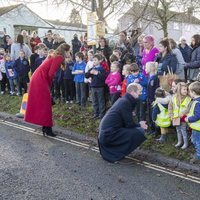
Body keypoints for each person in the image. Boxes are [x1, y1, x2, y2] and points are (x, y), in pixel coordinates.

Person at [24, 43, 71, 137]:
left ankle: (45, 127)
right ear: (65, 51)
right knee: (46, 104)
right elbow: (51, 73)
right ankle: (47, 129)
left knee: (45, 103)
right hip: (41, 79)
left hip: (38, 77)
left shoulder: (54, 54)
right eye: (69, 51)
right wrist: (49, 86)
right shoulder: (59, 57)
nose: (70, 53)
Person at [98, 83, 147, 163]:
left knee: (137, 130)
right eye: (139, 91)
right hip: (108, 134)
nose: (141, 93)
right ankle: (118, 154)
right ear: (133, 92)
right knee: (140, 131)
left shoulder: (124, 100)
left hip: (107, 132)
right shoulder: (125, 102)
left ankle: (118, 153)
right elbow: (129, 124)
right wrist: (140, 124)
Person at [168, 82, 191, 149]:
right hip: (175, 117)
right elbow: (170, 107)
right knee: (178, 130)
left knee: (183, 130)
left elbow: (189, 108)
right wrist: (170, 115)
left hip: (183, 118)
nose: (185, 91)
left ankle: (186, 143)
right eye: (184, 89)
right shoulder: (173, 98)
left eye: (186, 89)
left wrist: (183, 113)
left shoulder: (188, 98)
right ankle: (179, 142)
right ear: (179, 90)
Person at [85, 54, 107, 119]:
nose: (94, 61)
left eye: (95, 60)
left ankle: (101, 113)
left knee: (101, 100)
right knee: (94, 101)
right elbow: (86, 75)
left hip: (100, 87)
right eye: (93, 60)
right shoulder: (92, 68)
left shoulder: (101, 69)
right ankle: (96, 113)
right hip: (93, 87)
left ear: (100, 61)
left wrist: (97, 73)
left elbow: (103, 78)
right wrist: (90, 73)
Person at [185, 81, 200, 164]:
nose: (189, 93)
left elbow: (198, 115)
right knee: (194, 140)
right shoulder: (196, 101)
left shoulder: (198, 103)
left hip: (197, 127)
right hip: (196, 127)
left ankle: (198, 156)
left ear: (193, 92)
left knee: (197, 142)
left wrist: (189, 119)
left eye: (189, 91)